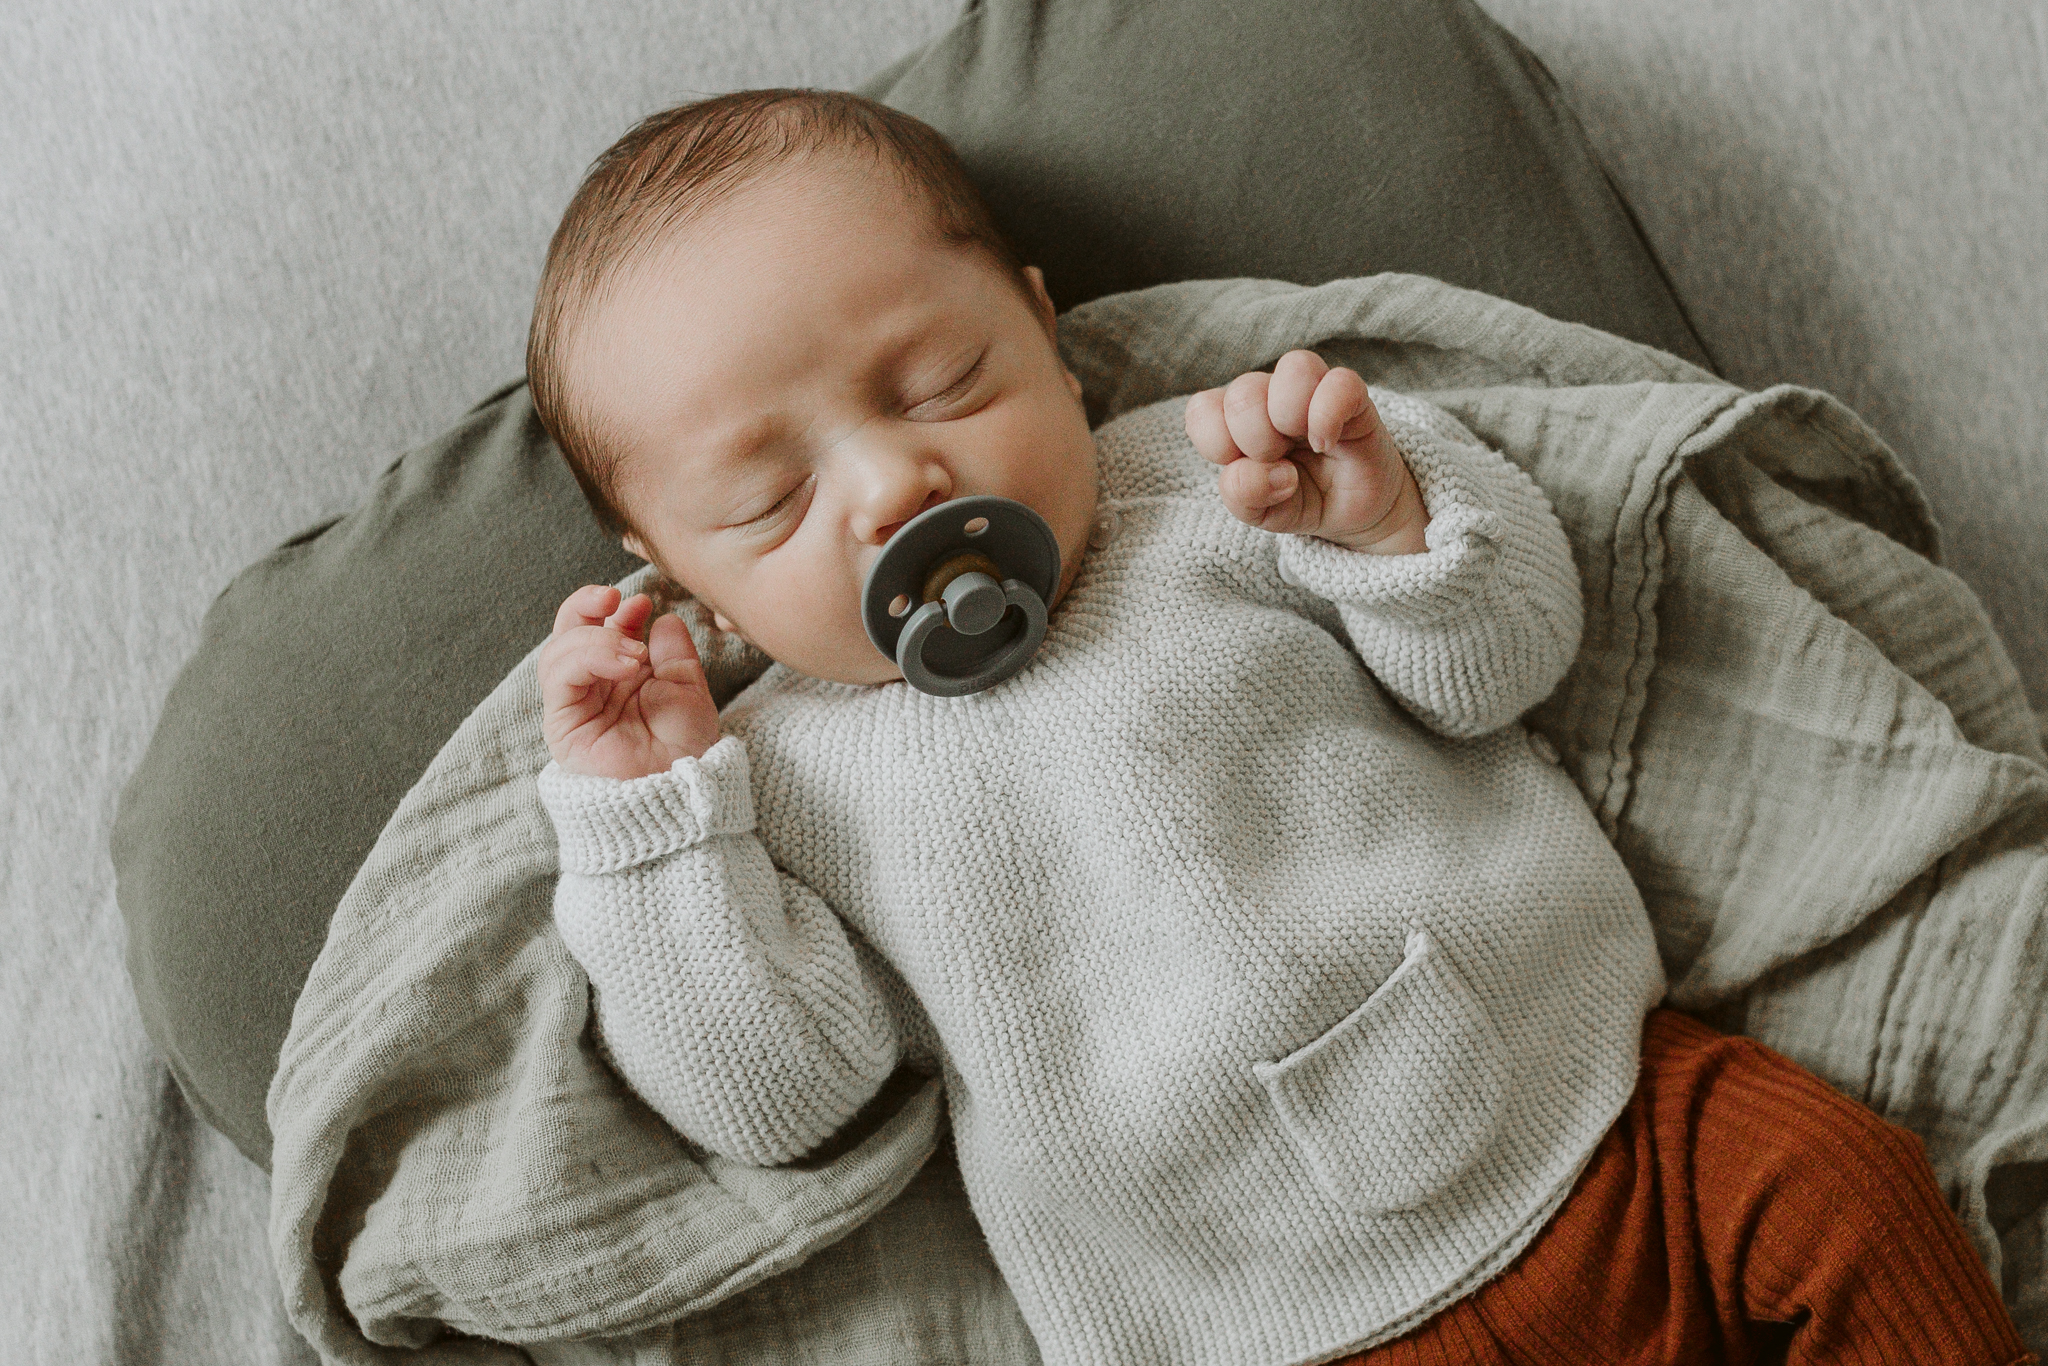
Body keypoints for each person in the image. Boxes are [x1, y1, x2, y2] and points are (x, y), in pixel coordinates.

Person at [523, 88, 2035, 1366]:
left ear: (1045, 328)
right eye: (770, 499)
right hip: (1251, 1326)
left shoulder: (1223, 488)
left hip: (1615, 1122)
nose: (889, 487)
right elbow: (784, 1096)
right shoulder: (772, 782)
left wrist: (1386, 521)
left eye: (943, 382)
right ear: (685, 580)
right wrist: (653, 825)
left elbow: (1506, 661)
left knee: (1853, 1190)